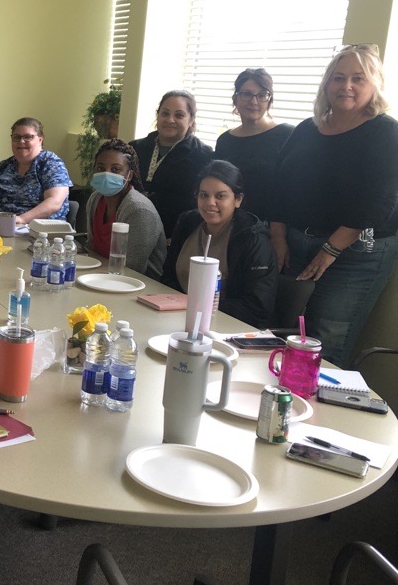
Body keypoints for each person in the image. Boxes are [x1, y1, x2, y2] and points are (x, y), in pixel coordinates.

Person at [269, 44, 398, 366]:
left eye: (359, 78)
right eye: (338, 78)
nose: (347, 86)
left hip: (358, 251)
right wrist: (278, 237)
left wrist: (330, 250)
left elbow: (377, 202)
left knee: (324, 341)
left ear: (375, 84)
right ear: (327, 84)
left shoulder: (385, 133)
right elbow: (278, 184)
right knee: (282, 332)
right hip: (297, 241)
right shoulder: (307, 129)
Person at [162, 160, 277, 328]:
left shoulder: (253, 240)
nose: (210, 203)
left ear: (238, 199)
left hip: (226, 326)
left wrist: (202, 306)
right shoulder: (187, 223)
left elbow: (257, 309)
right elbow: (168, 277)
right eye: (203, 195)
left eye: (220, 196)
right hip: (177, 317)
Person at [130, 90, 214, 241]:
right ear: (158, 115)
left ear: (191, 119)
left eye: (179, 115)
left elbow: (204, 201)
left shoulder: (204, 156)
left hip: (176, 237)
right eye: (165, 113)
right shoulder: (135, 148)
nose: (170, 120)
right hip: (134, 228)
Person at [214, 68, 294, 221]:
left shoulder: (287, 135)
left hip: (274, 228)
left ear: (269, 100)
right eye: (246, 94)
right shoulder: (225, 141)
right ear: (235, 98)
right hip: (233, 225)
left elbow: (292, 189)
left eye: (262, 95)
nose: (254, 101)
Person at [84, 139, 165, 278]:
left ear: (129, 175)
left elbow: (133, 268)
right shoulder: (95, 199)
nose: (106, 174)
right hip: (100, 277)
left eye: (115, 169)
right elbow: (91, 250)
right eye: (101, 168)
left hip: (138, 285)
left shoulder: (139, 210)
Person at [0, 117, 71, 223]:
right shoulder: (3, 166)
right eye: (16, 137)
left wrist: (21, 219)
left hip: (39, 231)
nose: (21, 141)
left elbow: (55, 202)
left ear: (40, 139)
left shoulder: (51, 163)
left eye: (27, 137)